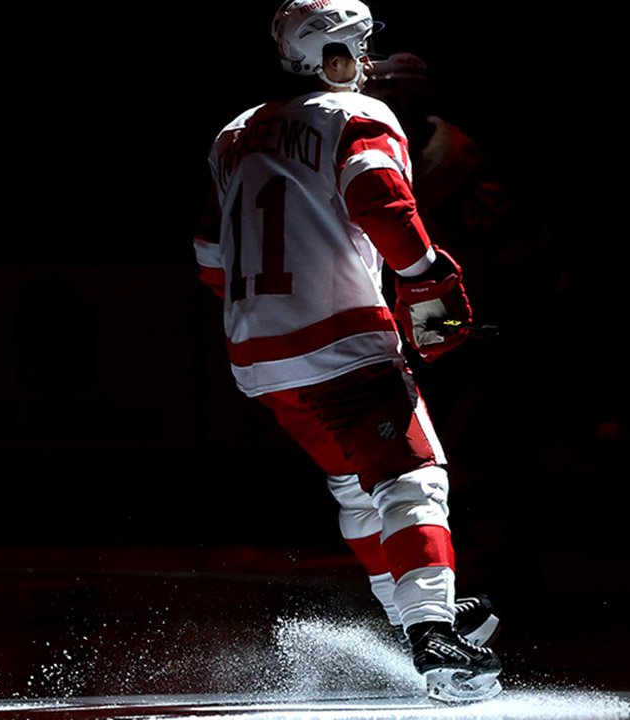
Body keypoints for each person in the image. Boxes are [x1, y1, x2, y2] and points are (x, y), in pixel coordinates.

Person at [191, 0, 502, 704]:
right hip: (338, 338)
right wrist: (428, 277)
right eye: (357, 50)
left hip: (257, 352)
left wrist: (268, 315)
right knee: (413, 477)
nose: (365, 64)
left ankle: (419, 620)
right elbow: (380, 201)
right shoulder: (354, 117)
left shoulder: (233, 132)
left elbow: (209, 252)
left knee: (356, 487)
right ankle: (433, 637)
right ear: (333, 56)